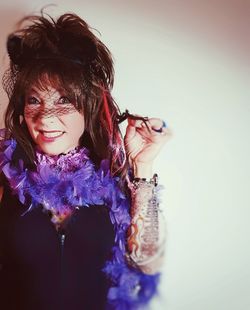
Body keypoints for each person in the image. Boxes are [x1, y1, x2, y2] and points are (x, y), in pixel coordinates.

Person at [0, 10, 170, 310]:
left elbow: (148, 263)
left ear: (88, 106)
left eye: (64, 99)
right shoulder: (6, 173)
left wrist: (142, 166)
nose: (45, 118)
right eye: (34, 100)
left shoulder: (116, 175)